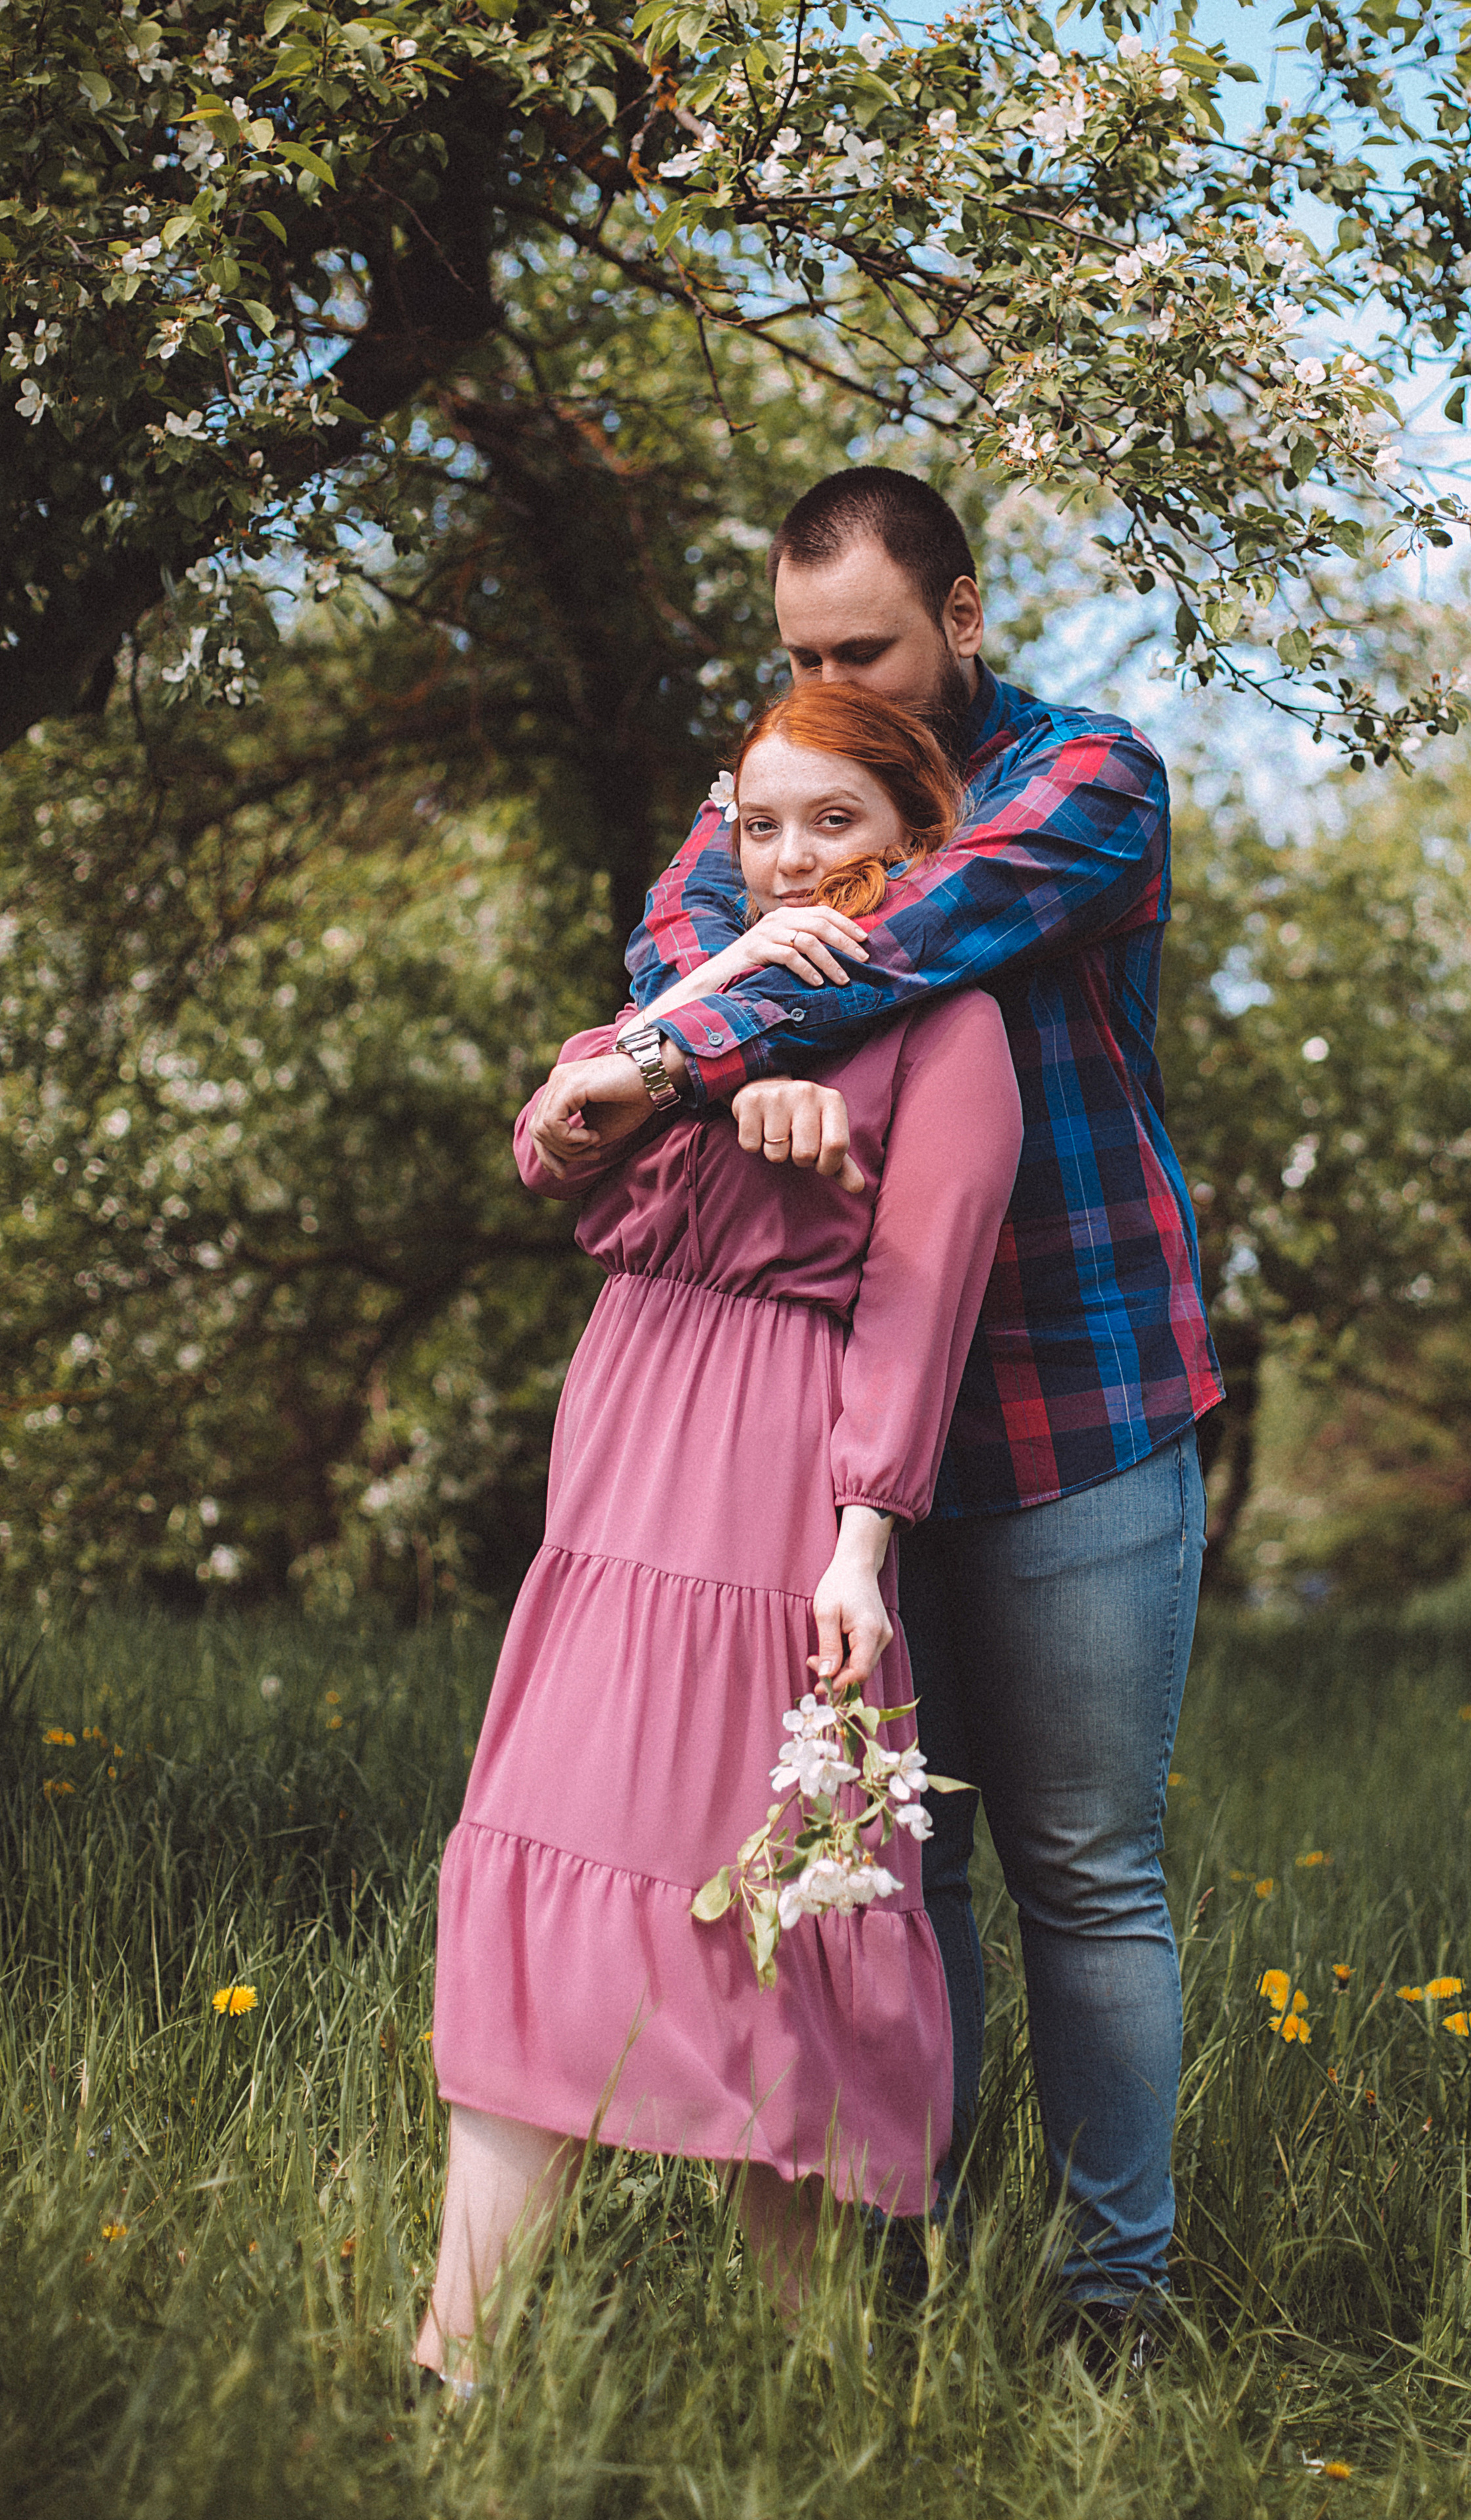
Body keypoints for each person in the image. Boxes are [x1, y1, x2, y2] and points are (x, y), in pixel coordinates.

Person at [616, 469, 1223, 2361]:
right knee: (900, 1862)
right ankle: (921, 2261)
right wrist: (700, 1044)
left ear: (961, 618)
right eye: (799, 656)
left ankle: (1119, 2300)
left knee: (1085, 1867)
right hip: (852, 1419)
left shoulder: (1089, 781)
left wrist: (672, 1064)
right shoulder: (791, 790)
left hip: (1078, 1396)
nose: (833, 689)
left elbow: (886, 936)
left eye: (865, 649)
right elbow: (671, 938)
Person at [416, 684, 1022, 2386]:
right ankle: (452, 2364)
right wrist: (700, 1007)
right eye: (764, 823)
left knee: (774, 1917)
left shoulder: (950, 1030)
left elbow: (923, 1303)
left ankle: (816, 2388)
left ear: (912, 836)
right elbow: (552, 1148)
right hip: (621, 1457)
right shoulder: (713, 993)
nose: (795, 856)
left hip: (784, 1485)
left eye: (836, 821)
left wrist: (861, 1545)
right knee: (554, 1846)